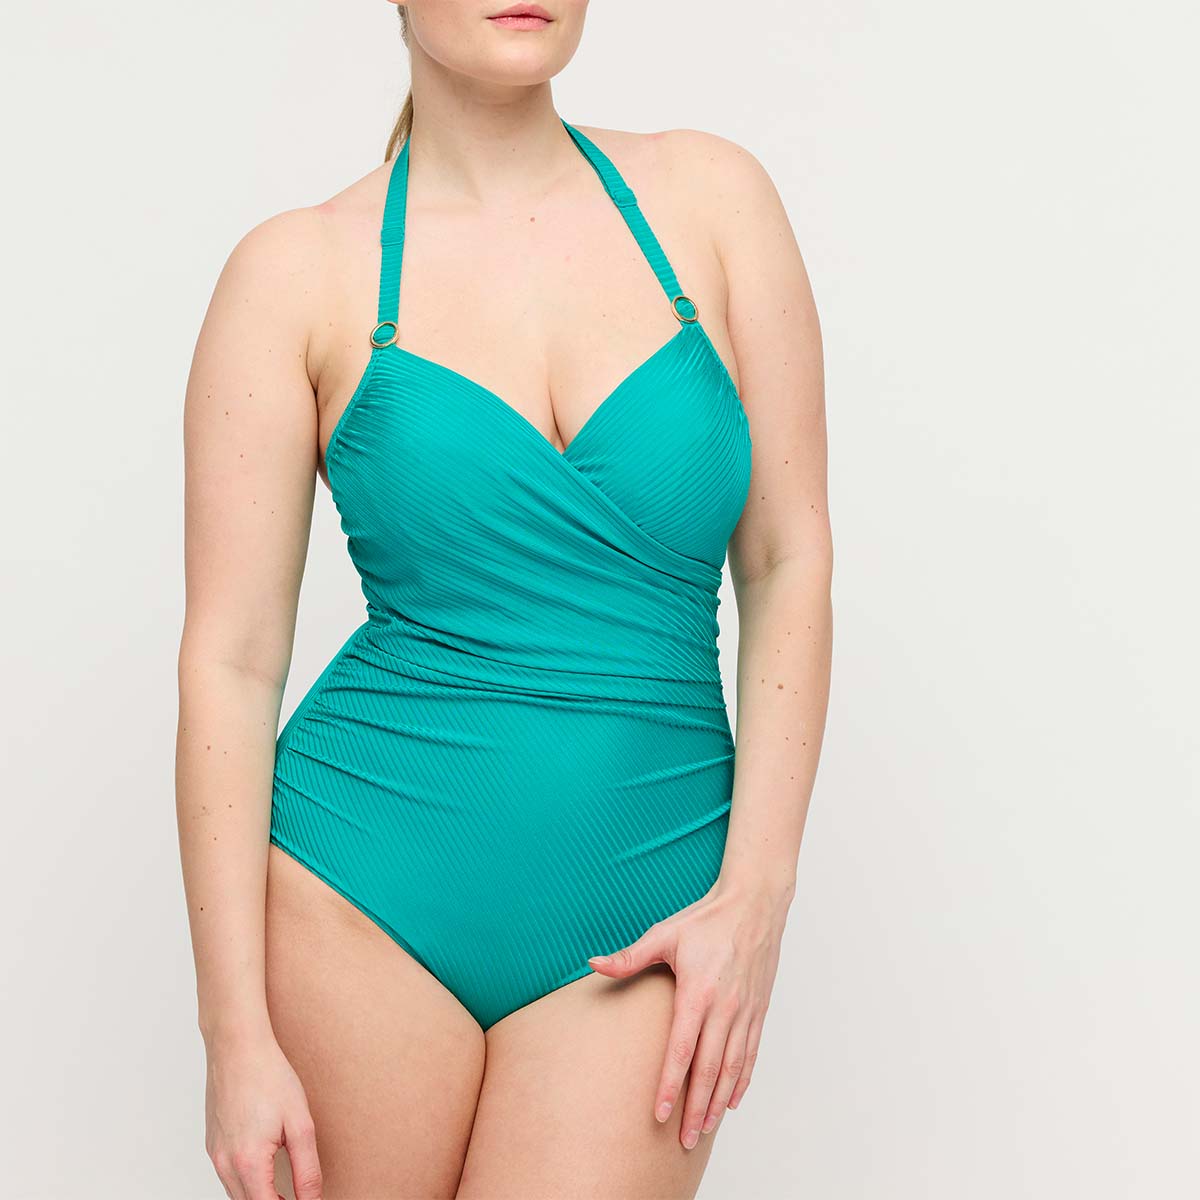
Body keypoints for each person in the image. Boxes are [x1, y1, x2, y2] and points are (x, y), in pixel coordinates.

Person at [175, 2, 831, 1197]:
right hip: (360, 890)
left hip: (648, 897)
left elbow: (789, 560)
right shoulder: (295, 272)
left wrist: (757, 895)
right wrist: (233, 1033)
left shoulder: (712, 202)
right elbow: (231, 658)